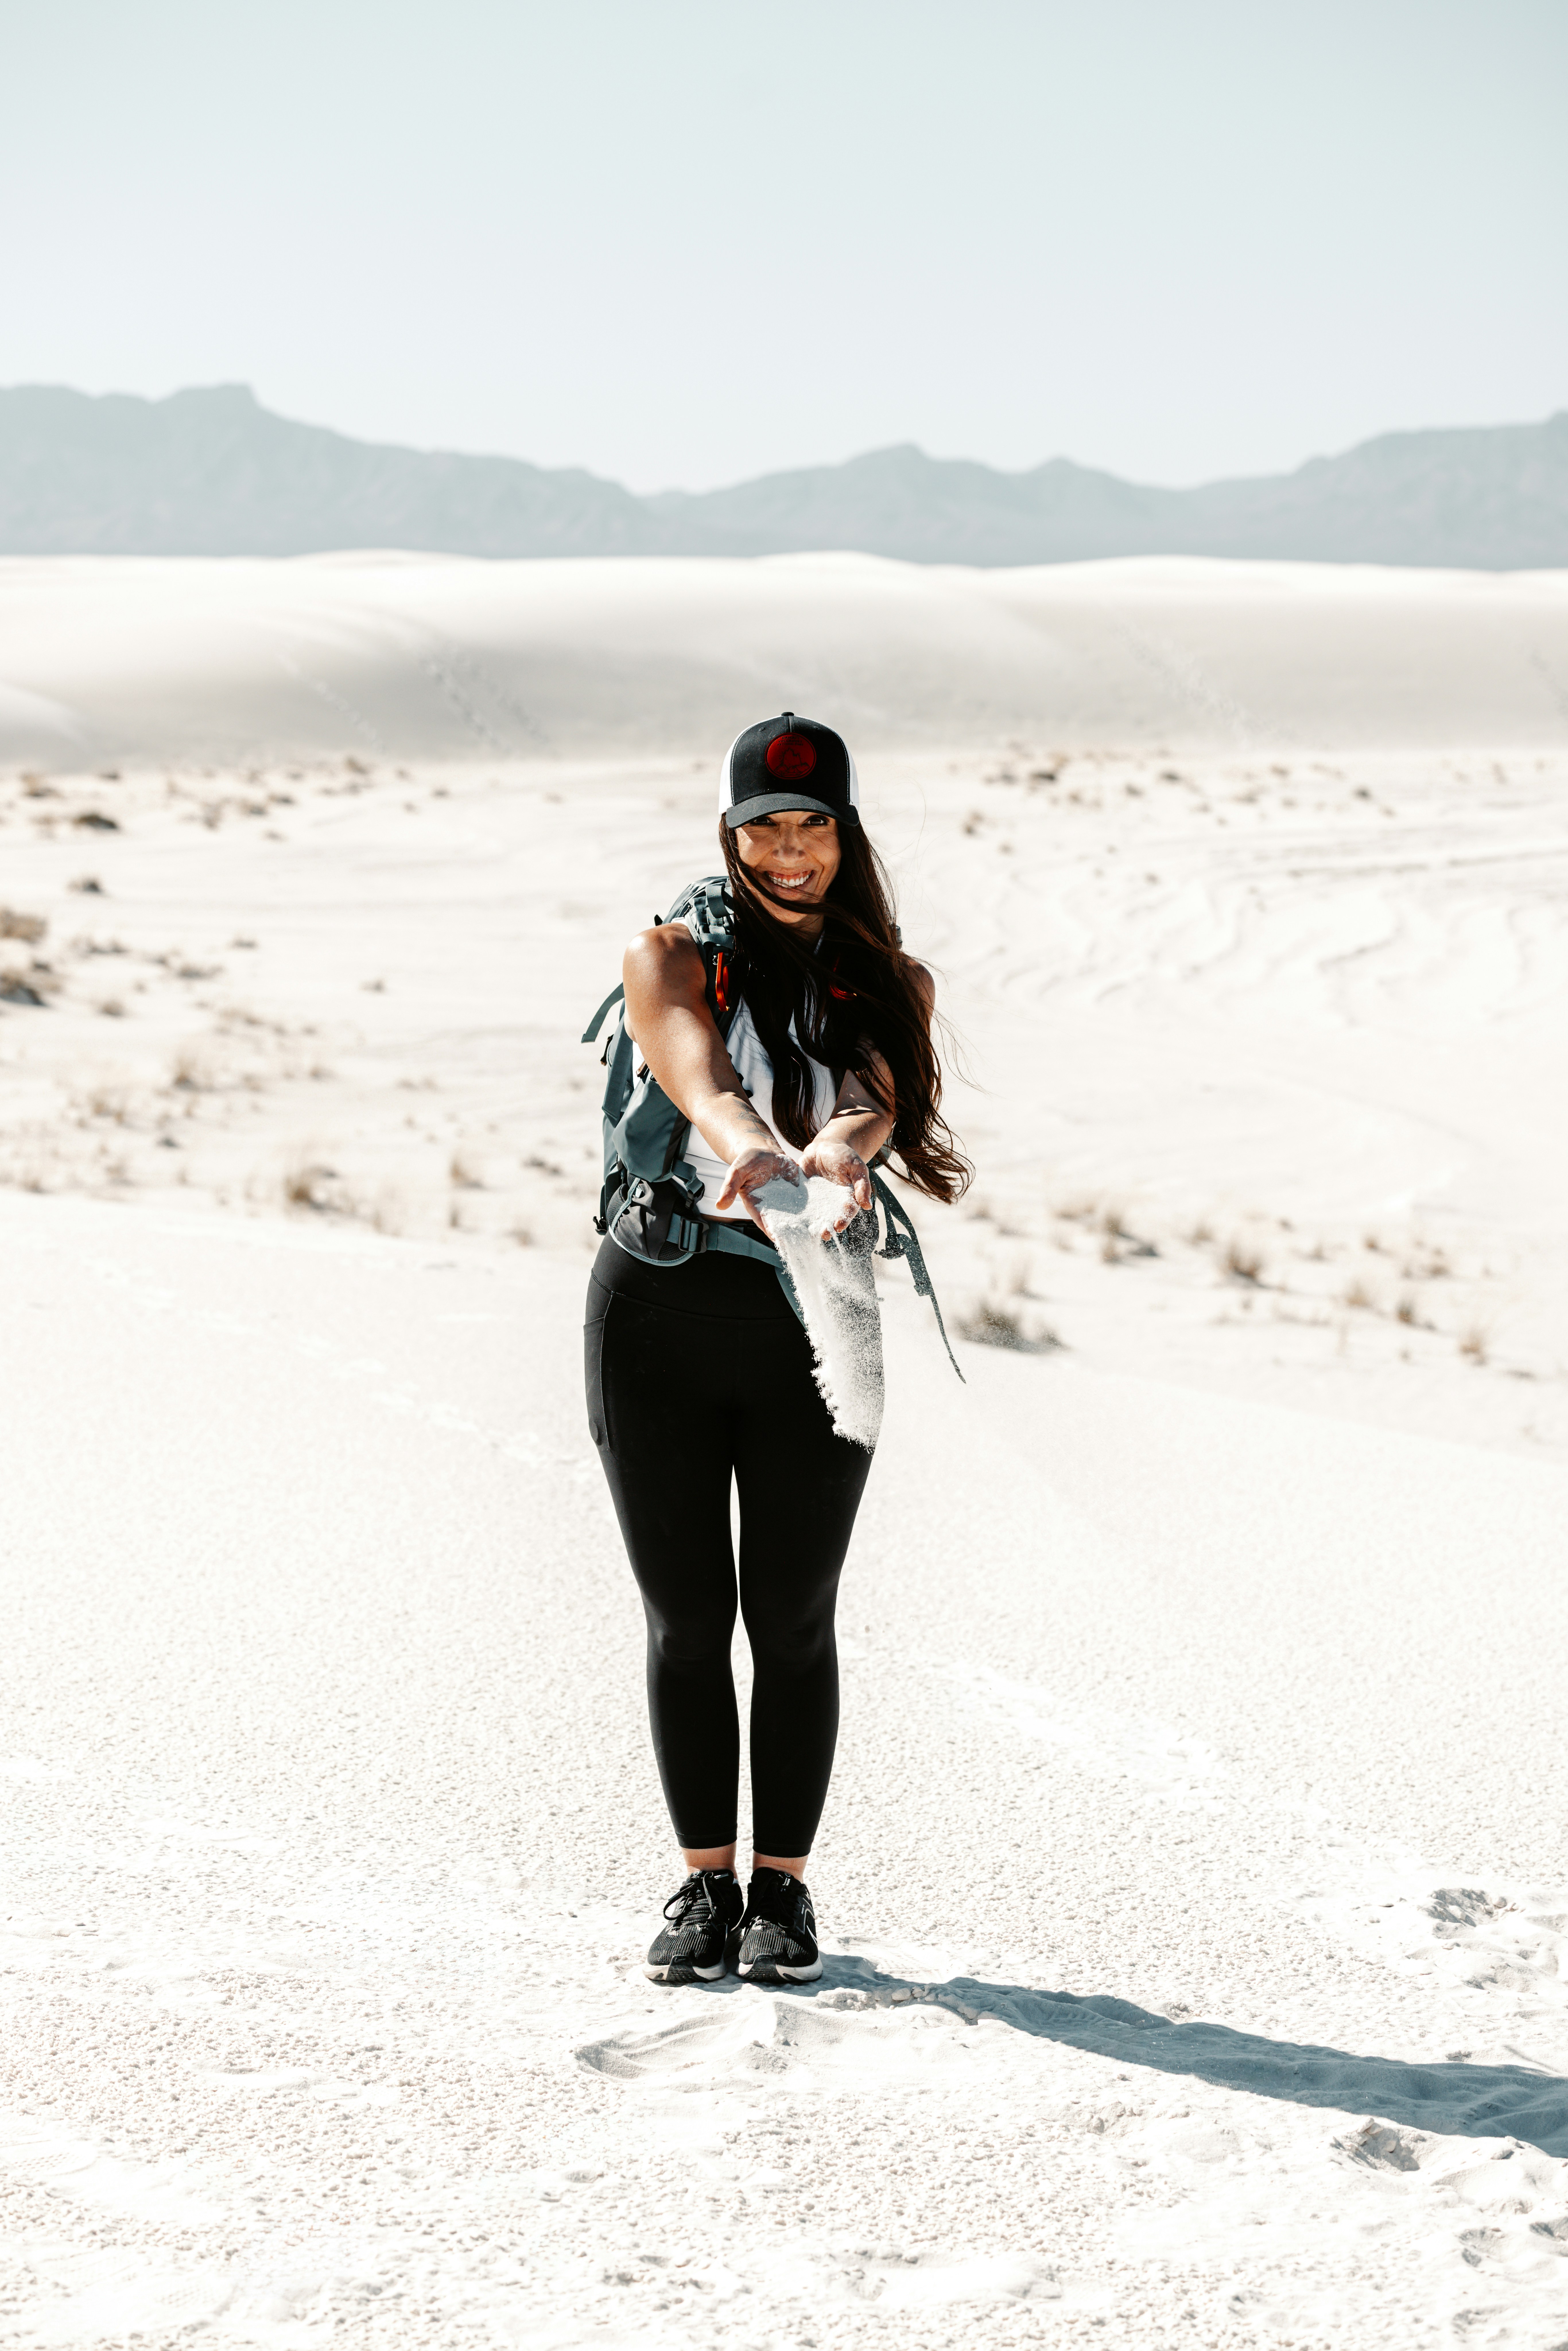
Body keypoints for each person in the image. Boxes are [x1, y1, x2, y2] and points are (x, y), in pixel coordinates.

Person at [583, 713, 968, 1986]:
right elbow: (687, 1054)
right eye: (767, 826)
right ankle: (703, 1879)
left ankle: (782, 1894)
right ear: (731, 831)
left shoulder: (888, 978)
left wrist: (840, 1152)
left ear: (843, 836)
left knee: (793, 1614)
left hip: (822, 1309)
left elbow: (869, 1089)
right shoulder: (668, 950)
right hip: (659, 1303)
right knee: (688, 1615)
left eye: (814, 826)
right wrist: (746, 1138)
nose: (791, 851)